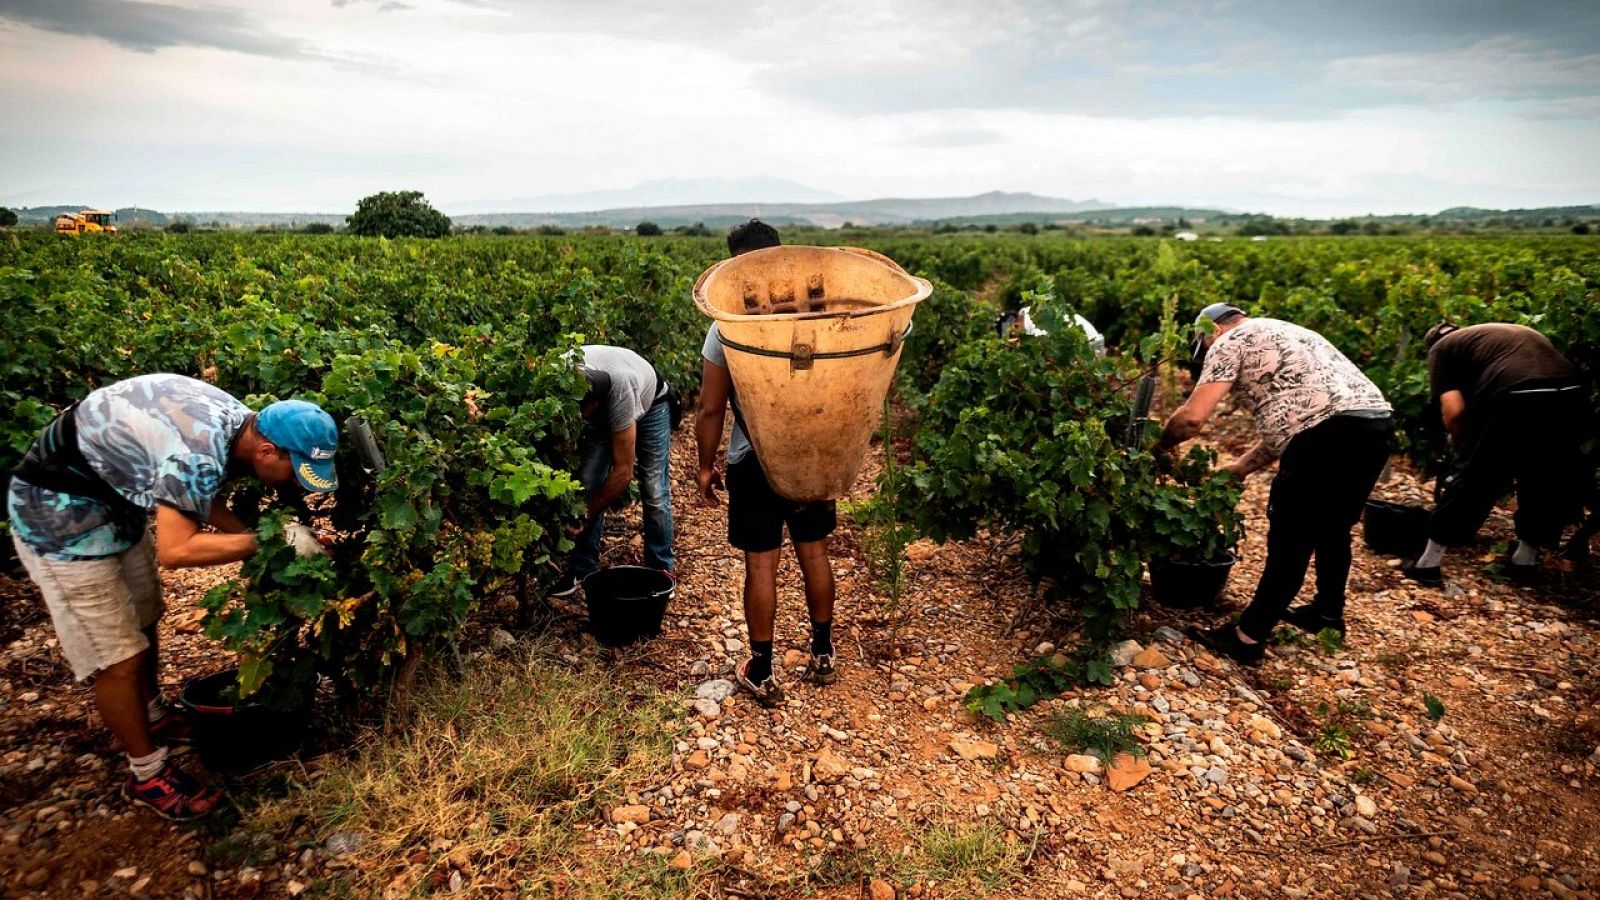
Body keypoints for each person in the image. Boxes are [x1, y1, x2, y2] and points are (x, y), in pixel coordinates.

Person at [7, 374, 338, 819]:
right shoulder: (196, 451)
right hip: (57, 515)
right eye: (295, 472)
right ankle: (147, 774)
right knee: (118, 655)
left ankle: (153, 712)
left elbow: (193, 495)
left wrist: (254, 535)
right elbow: (176, 550)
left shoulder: (240, 422)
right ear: (265, 451)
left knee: (145, 614)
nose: (297, 485)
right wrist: (271, 541)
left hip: (114, 501)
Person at [1158, 304, 1393, 665]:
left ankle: (1247, 638)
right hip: (1375, 425)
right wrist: (1240, 468)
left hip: (1326, 436)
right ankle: (1327, 614)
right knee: (1334, 527)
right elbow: (1297, 417)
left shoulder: (1227, 340)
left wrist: (1159, 447)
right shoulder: (1291, 333)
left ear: (1210, 331)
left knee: (1290, 539)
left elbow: (1192, 419)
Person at [696, 220, 837, 707]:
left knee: (762, 564)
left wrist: (705, 465)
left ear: (737, 264)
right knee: (813, 551)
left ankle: (762, 667)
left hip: (754, 459)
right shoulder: (818, 316)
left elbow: (711, 408)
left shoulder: (727, 325)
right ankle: (822, 653)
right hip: (814, 452)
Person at [1404, 322, 1588, 586]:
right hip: (1572, 392)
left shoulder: (1441, 349)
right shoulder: (1497, 335)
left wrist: (1463, 449)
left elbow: (1454, 412)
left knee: (1477, 476)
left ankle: (1427, 564)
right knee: (1544, 476)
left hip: (1517, 392)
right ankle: (1525, 563)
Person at [551, 345, 676, 594]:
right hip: (613, 385)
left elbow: (623, 472)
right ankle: (583, 569)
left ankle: (661, 569)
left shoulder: (620, 393)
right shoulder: (559, 376)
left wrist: (584, 515)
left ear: (595, 405)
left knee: (654, 490)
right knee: (587, 481)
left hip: (652, 403)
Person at [995, 306, 1106, 356]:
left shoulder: (1036, 329)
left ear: (1016, 324)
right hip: (1086, 342)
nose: (1015, 339)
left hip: (1091, 348)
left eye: (1012, 334)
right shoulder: (1029, 312)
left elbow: (1048, 355)